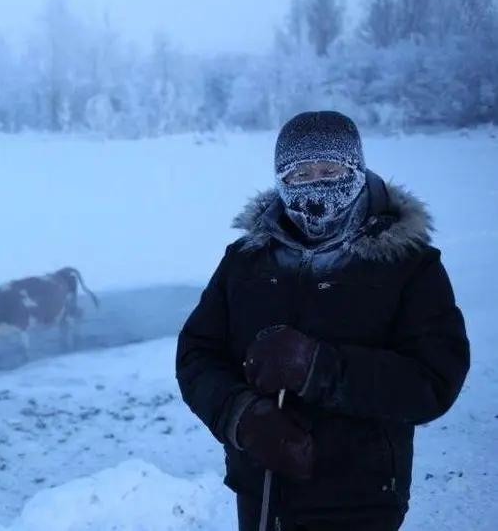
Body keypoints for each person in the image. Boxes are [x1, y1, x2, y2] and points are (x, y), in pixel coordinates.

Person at [175, 110, 471, 531]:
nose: (316, 185)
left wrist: (319, 368)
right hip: (260, 495)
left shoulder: (408, 265)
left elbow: (433, 381)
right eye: (299, 175)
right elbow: (196, 355)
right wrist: (241, 417)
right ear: (280, 180)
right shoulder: (244, 261)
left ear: (357, 170)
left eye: (330, 170)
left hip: (360, 498)